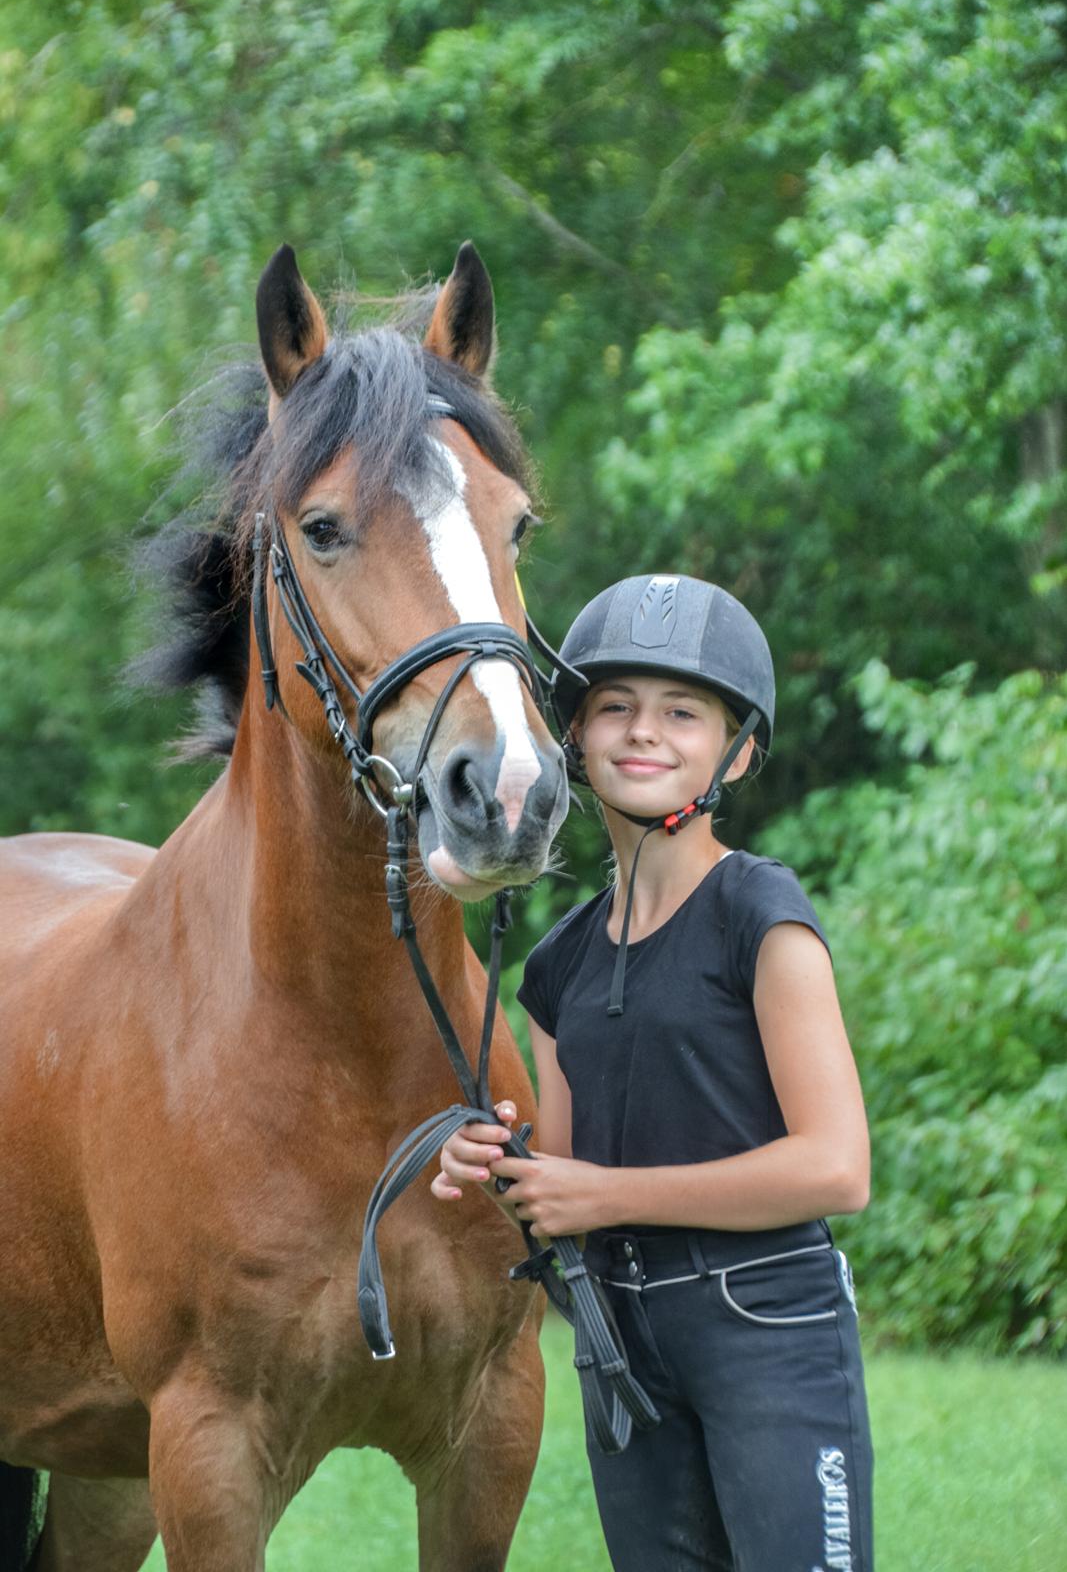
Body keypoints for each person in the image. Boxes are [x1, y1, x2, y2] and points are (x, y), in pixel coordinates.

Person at [432, 574, 874, 1572]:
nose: (645, 733)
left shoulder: (761, 916)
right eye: (615, 708)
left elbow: (835, 1168)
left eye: (683, 712)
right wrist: (508, 1170)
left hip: (766, 1328)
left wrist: (602, 1191)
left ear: (738, 748)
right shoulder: (556, 968)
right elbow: (569, 1194)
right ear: (575, 737)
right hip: (620, 1336)